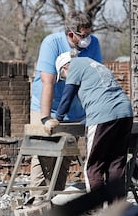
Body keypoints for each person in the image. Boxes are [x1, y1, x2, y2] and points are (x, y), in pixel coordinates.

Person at [29, 11, 103, 199]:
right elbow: (48, 82)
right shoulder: (51, 43)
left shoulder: (93, 44)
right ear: (71, 34)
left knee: (65, 156)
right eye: (83, 35)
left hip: (74, 110)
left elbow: (94, 80)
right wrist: (46, 118)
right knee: (43, 153)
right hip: (47, 105)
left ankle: (55, 201)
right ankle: (37, 200)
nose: (87, 39)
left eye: (88, 34)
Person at [43, 53, 134, 202]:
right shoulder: (95, 65)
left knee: (93, 167)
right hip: (125, 113)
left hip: (103, 115)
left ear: (65, 67)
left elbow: (68, 95)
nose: (66, 79)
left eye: (64, 76)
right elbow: (103, 93)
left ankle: (98, 211)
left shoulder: (75, 65)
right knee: (116, 165)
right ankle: (118, 211)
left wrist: (57, 118)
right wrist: (86, 120)